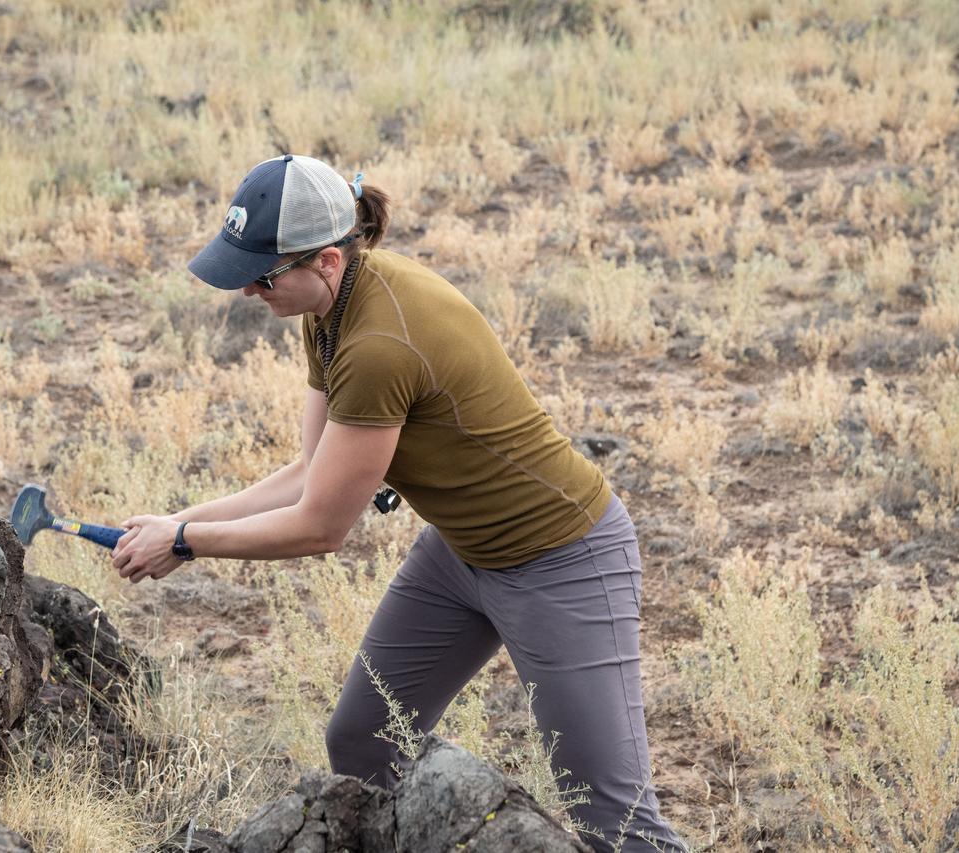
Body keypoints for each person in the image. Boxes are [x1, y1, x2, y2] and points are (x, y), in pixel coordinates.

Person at [110, 154, 688, 852]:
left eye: (261, 276)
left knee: (618, 824)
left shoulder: (379, 342)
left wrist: (186, 543)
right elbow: (308, 472)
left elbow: (322, 525)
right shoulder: (329, 307)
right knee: (363, 739)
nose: (248, 293)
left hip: (561, 559)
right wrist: (181, 520)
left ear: (325, 258)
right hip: (460, 552)